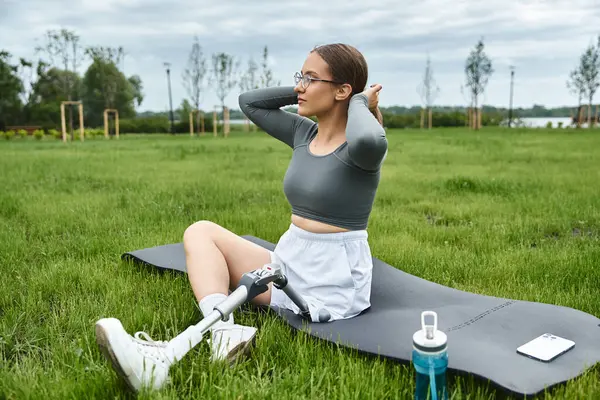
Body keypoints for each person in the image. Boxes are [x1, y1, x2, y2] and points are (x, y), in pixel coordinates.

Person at [94, 43, 388, 392]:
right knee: (200, 232)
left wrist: (359, 101)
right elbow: (249, 102)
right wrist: (305, 89)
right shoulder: (303, 134)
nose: (300, 87)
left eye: (310, 78)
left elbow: (368, 135)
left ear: (342, 90)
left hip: (333, 278)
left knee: (217, 247)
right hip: (292, 257)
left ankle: (177, 351)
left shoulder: (363, 148)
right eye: (300, 76)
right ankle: (223, 332)